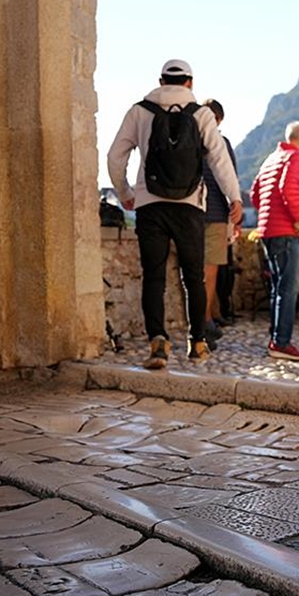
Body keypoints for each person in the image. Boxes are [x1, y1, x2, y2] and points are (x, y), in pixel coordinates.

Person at [106, 59, 242, 370]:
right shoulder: (202, 115)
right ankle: (197, 343)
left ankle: (158, 341)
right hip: (190, 206)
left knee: (153, 276)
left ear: (161, 80)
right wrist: (234, 197)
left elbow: (115, 156)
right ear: (190, 83)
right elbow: (220, 160)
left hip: (150, 206)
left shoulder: (139, 111)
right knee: (193, 277)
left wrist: (126, 193)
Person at [250, 121, 299, 361]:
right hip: (285, 230)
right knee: (289, 288)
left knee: (279, 287)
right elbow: (289, 188)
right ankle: (281, 342)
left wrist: (268, 213)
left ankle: (276, 338)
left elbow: (256, 193)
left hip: (268, 229)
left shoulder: (271, 158)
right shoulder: (294, 157)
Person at [199, 99, 239, 349]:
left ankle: (207, 318)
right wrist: (234, 213)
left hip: (192, 212)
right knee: (209, 273)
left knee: (198, 273)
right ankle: (205, 322)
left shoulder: (190, 139)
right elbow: (230, 178)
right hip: (213, 213)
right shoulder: (222, 144)